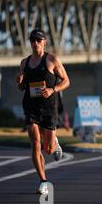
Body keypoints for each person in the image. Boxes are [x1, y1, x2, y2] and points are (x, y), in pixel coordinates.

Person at [16, 29, 71, 194]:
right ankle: (43, 181)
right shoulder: (24, 63)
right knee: (35, 145)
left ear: (44, 42)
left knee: (48, 149)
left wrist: (53, 89)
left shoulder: (52, 59)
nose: (35, 43)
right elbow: (21, 88)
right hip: (30, 107)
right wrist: (19, 83)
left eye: (38, 40)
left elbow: (67, 81)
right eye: (33, 40)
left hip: (48, 108)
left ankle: (54, 141)